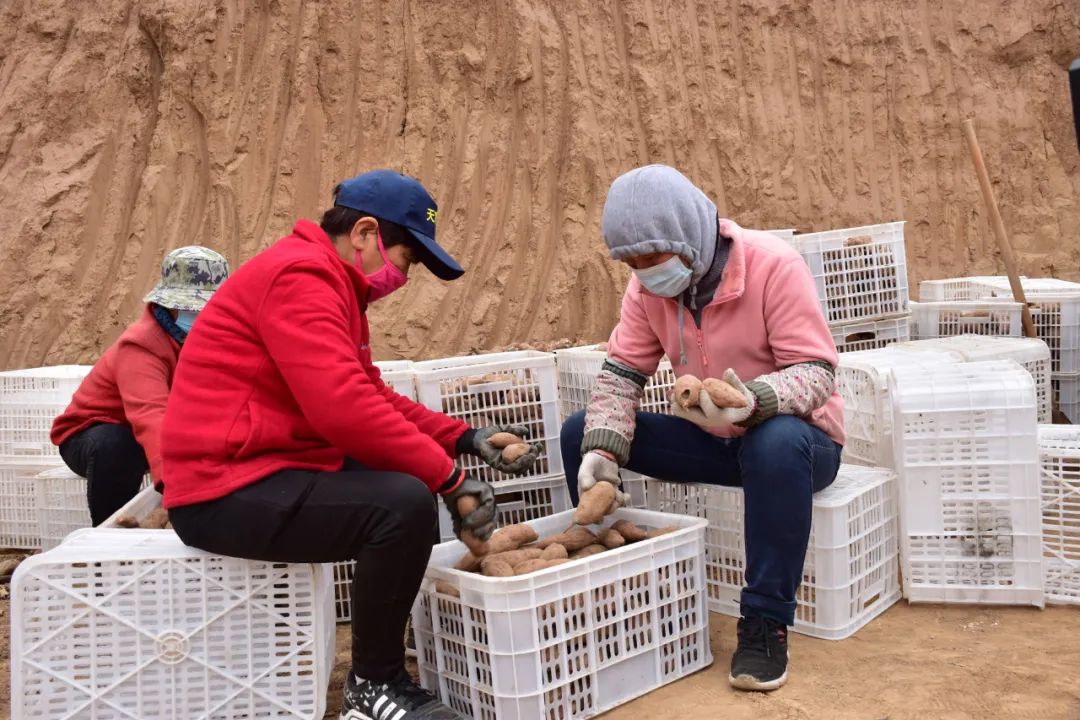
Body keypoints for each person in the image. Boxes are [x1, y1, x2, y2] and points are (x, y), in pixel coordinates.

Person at [161, 169, 539, 720]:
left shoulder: (333, 286)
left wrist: (463, 437)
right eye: (407, 260)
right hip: (222, 489)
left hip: (270, 464)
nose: (402, 278)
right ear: (363, 233)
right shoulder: (300, 277)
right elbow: (342, 407)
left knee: (403, 482)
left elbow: (370, 393)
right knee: (402, 505)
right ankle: (374, 684)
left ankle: (386, 635)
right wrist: (449, 480)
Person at [560, 165, 844, 692]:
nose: (645, 273)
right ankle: (600, 597)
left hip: (801, 445)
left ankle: (764, 622)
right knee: (581, 432)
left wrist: (755, 401)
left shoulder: (773, 266)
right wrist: (602, 450)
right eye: (633, 263)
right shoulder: (648, 290)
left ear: (687, 236)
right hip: (714, 439)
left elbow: (817, 371)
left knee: (775, 441)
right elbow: (623, 372)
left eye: (652, 258)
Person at [50, 246, 229, 524]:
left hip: (157, 435)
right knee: (118, 444)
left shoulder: (211, 340)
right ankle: (110, 536)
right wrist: (176, 490)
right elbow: (151, 415)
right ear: (168, 303)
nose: (197, 313)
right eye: (189, 307)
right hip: (92, 435)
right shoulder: (141, 344)